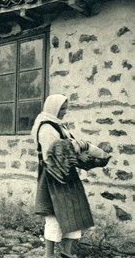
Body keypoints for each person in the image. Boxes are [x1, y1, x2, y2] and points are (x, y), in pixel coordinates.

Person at [31, 94, 110, 258]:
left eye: (66, 108)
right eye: (61, 108)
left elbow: (69, 148)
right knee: (53, 217)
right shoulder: (46, 128)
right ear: (53, 108)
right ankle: (49, 255)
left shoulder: (58, 126)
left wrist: (81, 151)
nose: (64, 112)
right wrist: (82, 147)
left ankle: (66, 253)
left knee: (74, 213)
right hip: (53, 177)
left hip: (67, 175)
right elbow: (56, 152)